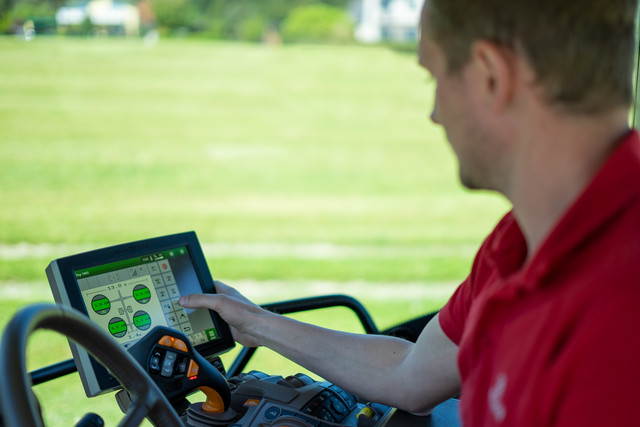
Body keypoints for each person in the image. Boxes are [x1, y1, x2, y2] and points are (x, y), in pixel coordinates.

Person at [180, 0, 640, 424]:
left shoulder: (616, 315)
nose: (436, 113)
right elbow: (411, 375)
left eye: (435, 78)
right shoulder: (523, 239)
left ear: (490, 77)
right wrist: (257, 323)